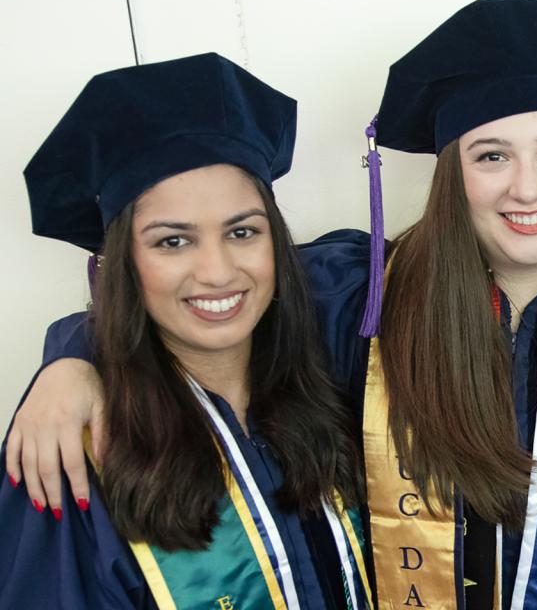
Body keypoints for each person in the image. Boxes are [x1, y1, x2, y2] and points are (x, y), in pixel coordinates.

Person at [11, 0, 537, 609]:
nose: (528, 187)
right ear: (452, 175)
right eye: (490, 157)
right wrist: (71, 364)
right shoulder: (361, 299)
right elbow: (204, 310)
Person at [1, 53, 369, 609]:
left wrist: (70, 354)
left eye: (243, 231)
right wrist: (73, 359)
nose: (218, 271)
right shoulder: (71, 455)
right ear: (123, 262)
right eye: (173, 241)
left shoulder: (333, 368)